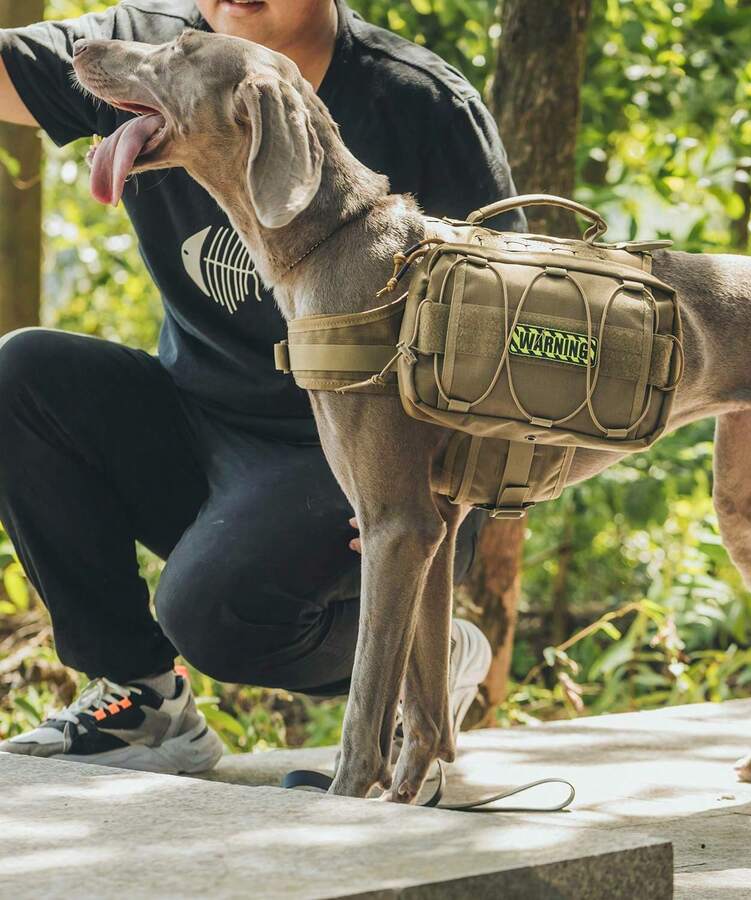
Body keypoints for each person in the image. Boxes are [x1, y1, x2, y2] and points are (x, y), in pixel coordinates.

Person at [0, 0, 524, 773]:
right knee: (22, 373)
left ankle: (427, 654)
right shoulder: (153, 50)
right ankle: (144, 705)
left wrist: (429, 494)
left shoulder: (417, 101)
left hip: (354, 457)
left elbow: (511, 328)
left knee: (210, 616)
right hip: (201, 421)